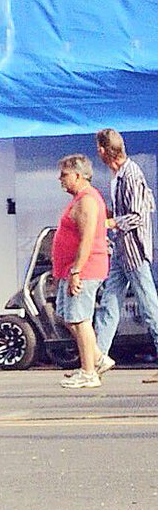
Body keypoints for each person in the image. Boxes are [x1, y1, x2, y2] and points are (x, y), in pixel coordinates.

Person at [91, 128, 158, 381]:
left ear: (102, 150)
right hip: (122, 251)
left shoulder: (131, 175)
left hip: (134, 252)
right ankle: (97, 358)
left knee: (150, 306)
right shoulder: (118, 175)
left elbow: (138, 216)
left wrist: (108, 223)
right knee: (109, 303)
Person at [52, 154, 110, 390]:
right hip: (71, 270)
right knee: (69, 317)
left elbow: (86, 240)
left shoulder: (87, 200)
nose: (60, 179)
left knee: (81, 319)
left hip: (84, 270)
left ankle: (89, 373)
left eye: (64, 175)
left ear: (78, 175)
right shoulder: (79, 198)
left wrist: (76, 270)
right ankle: (97, 358)